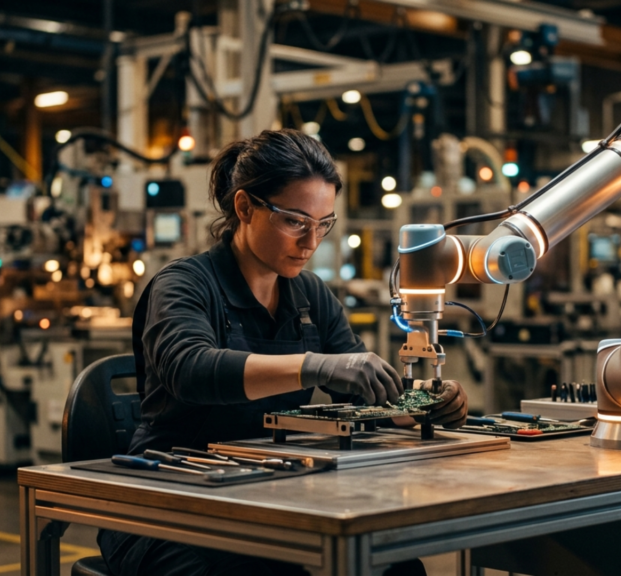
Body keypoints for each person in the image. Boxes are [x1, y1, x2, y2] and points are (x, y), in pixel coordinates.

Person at [98, 129, 469, 576]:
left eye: (323, 224)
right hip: (166, 504)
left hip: (264, 493)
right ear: (244, 207)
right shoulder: (184, 285)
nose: (311, 242)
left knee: (395, 569)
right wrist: (315, 367)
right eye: (295, 221)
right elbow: (190, 369)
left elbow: (366, 398)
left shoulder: (310, 295)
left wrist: (425, 404)